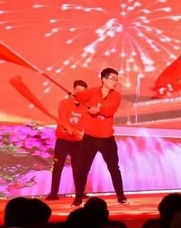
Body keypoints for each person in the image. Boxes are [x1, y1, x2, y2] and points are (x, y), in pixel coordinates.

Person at [72, 67, 128, 206]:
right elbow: (80, 97)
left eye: (116, 79)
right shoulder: (91, 92)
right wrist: (76, 94)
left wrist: (98, 109)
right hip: (90, 138)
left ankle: (121, 196)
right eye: (112, 79)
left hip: (107, 138)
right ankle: (78, 198)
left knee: (114, 168)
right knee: (83, 169)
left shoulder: (116, 95)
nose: (115, 82)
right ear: (104, 79)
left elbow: (110, 110)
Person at [46, 80, 89, 200]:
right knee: (58, 166)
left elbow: (86, 122)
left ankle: (80, 192)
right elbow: (63, 118)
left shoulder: (85, 107)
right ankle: (53, 193)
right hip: (63, 140)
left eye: (82, 91)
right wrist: (69, 129)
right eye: (78, 90)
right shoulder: (64, 103)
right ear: (73, 90)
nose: (79, 92)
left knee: (78, 168)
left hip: (77, 142)